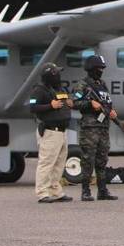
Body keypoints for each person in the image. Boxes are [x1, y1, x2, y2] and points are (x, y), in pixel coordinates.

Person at [72, 55, 118, 201]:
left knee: (102, 160)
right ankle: (85, 191)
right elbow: (73, 102)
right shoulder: (82, 85)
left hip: (103, 127)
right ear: (91, 69)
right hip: (90, 128)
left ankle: (102, 190)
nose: (101, 71)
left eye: (102, 68)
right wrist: (89, 104)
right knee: (87, 160)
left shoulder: (102, 84)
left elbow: (106, 102)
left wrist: (111, 110)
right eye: (98, 68)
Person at [29, 63, 74, 203]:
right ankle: (42, 193)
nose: (59, 76)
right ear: (50, 76)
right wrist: (50, 106)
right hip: (50, 131)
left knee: (59, 163)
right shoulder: (39, 90)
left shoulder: (58, 89)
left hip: (62, 132)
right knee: (46, 163)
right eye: (57, 73)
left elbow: (65, 101)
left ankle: (55, 190)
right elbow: (32, 107)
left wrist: (69, 102)